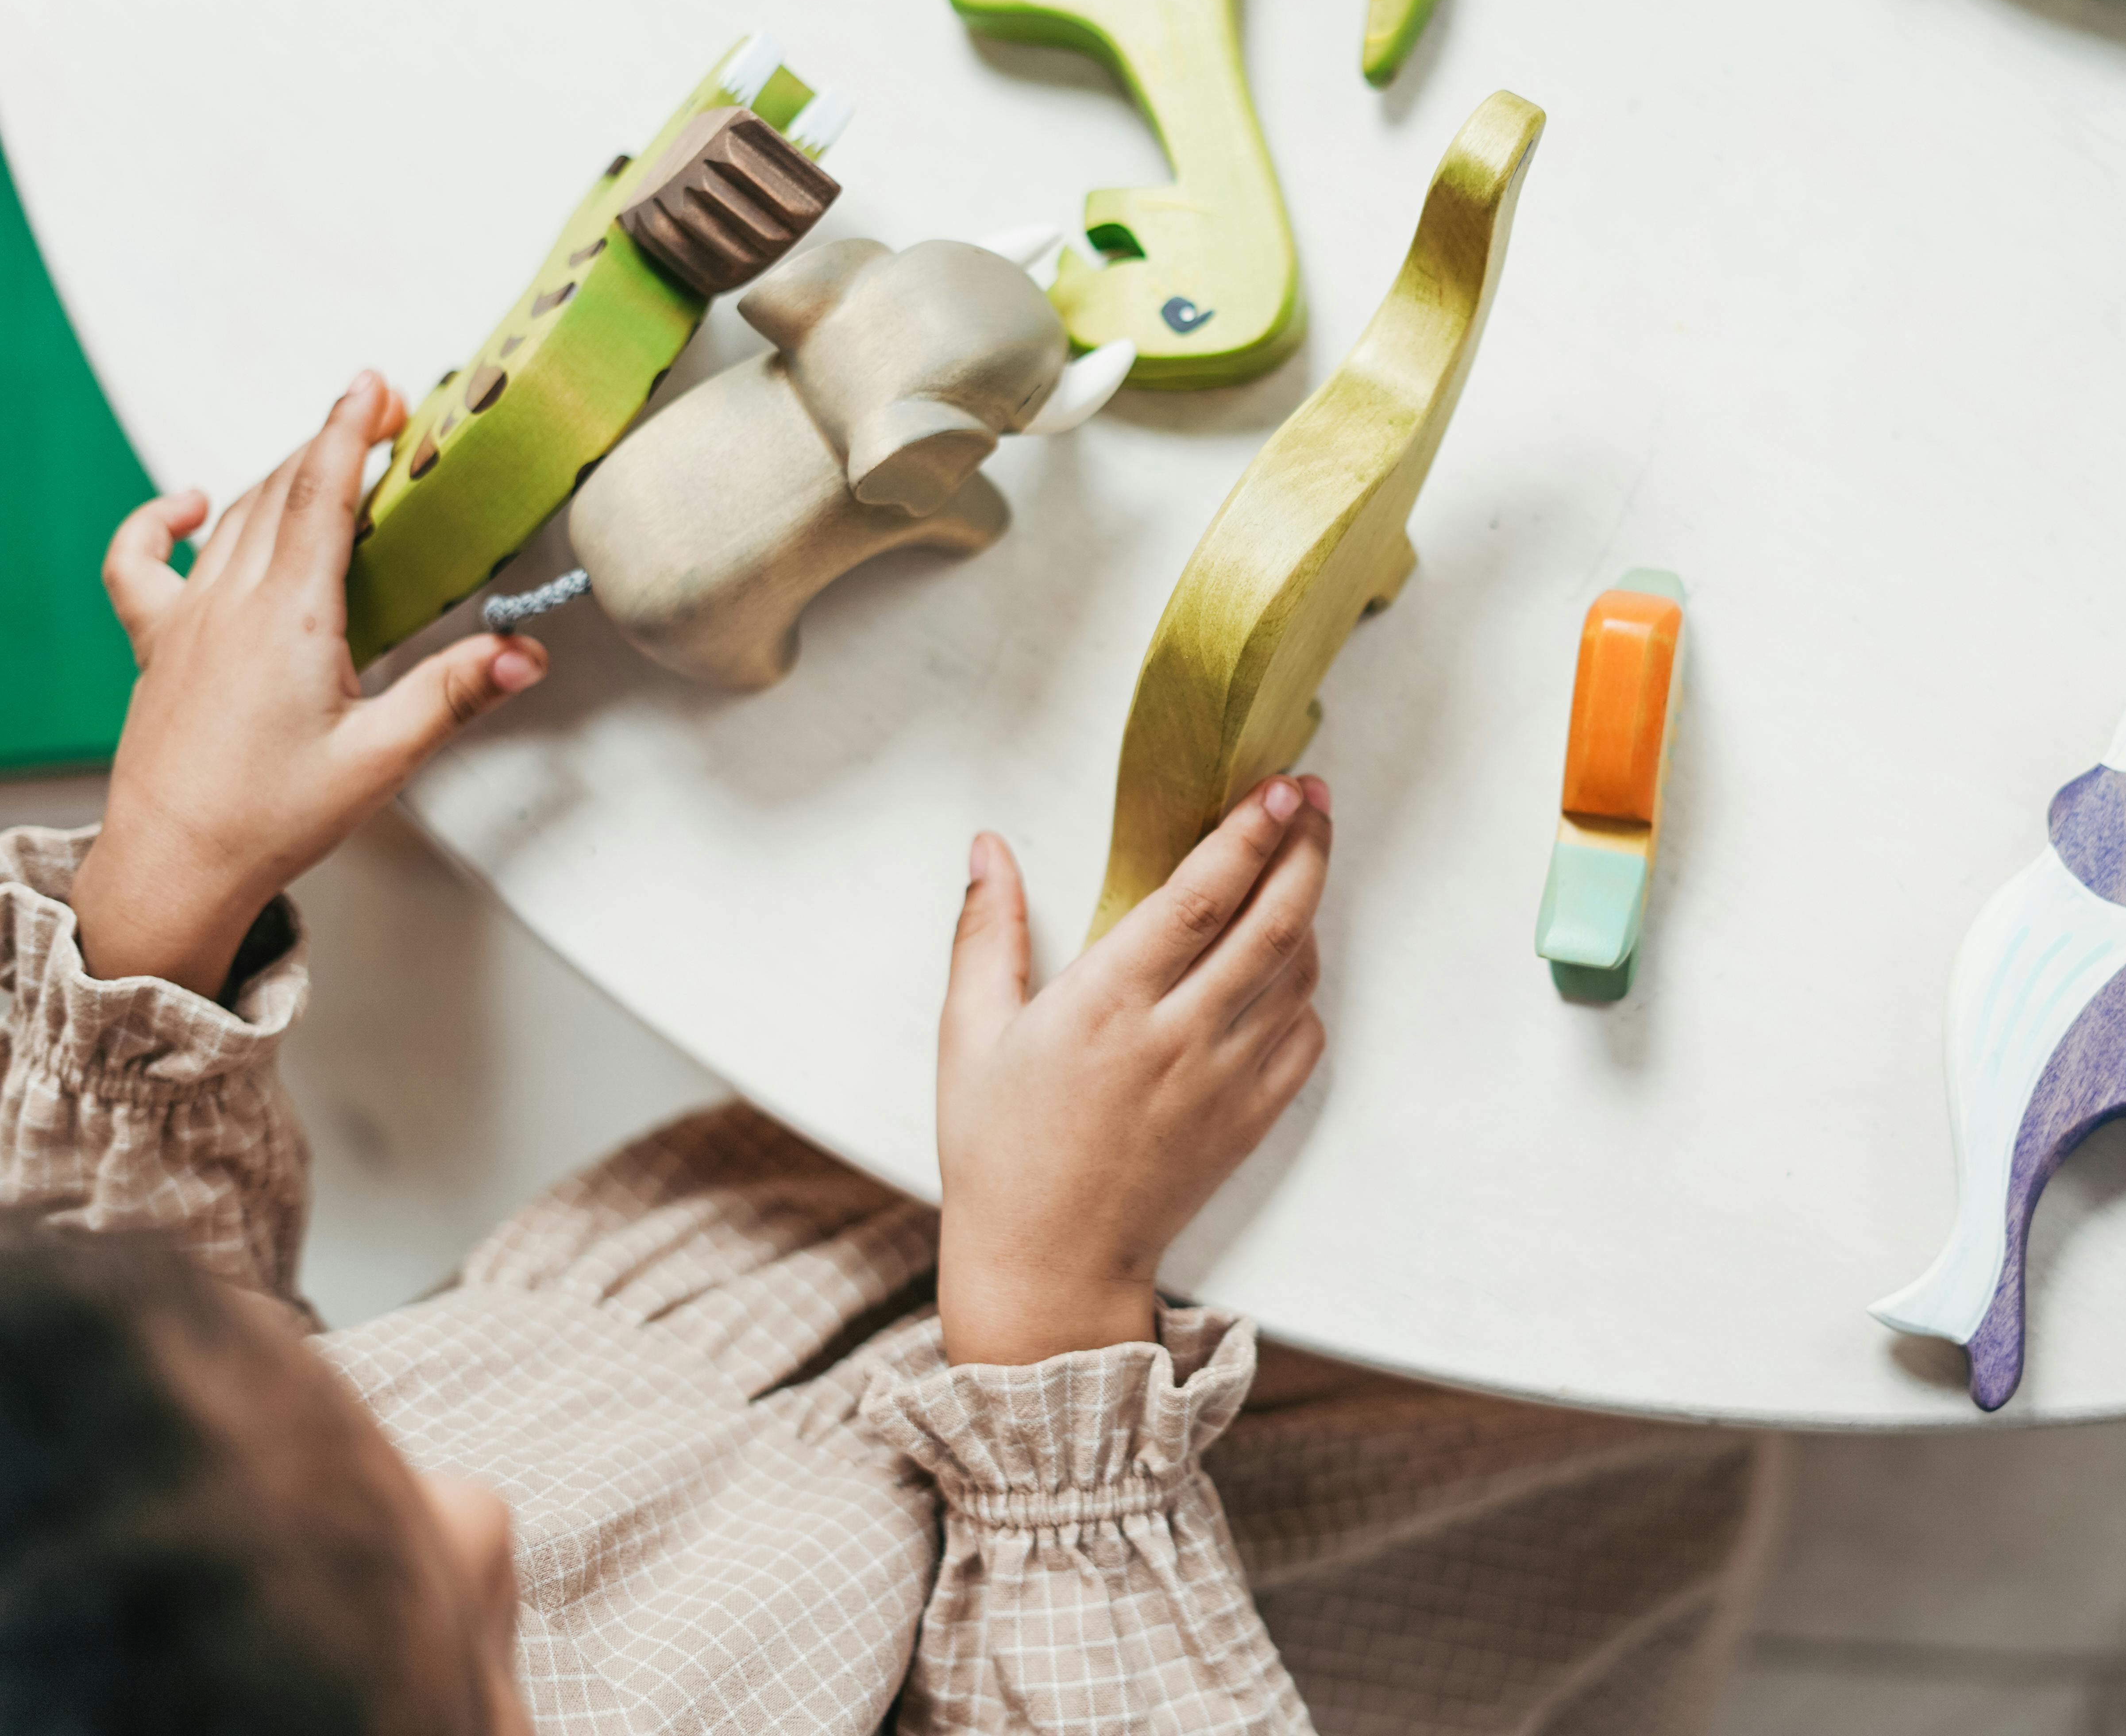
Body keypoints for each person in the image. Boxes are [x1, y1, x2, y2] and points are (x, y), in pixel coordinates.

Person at [0, 373, 1771, 1734]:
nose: (477, 1518)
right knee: (1639, 1326)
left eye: (353, 1437)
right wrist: (1052, 1322)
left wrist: (167, 885)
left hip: (836, 1226)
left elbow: (131, 1296)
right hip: (1225, 1533)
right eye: (444, 1615)